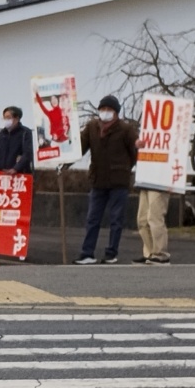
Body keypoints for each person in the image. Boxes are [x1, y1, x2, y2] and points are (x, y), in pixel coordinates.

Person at [73, 95, 139, 265]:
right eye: (102, 109)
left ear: (116, 112)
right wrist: (65, 159)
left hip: (119, 182)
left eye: (109, 109)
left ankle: (111, 253)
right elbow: (79, 148)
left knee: (116, 219)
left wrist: (125, 168)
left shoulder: (126, 129)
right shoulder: (91, 127)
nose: (105, 112)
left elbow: (135, 152)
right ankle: (87, 253)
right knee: (92, 219)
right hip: (98, 180)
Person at [134, 137, 171, 265]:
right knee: (142, 219)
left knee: (155, 217)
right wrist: (137, 145)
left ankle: (161, 253)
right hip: (146, 176)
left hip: (161, 178)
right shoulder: (148, 132)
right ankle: (149, 252)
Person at [0, 106, 34, 178]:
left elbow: (27, 154)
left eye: (8, 117)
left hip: (17, 176)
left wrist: (16, 168)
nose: (6, 120)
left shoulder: (25, 133)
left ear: (17, 118)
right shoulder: (2, 133)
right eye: (4, 118)